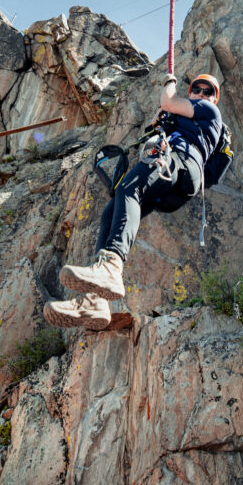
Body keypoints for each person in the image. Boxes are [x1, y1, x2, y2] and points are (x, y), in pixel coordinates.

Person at [44, 73, 223, 331]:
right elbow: (164, 116)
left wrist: (169, 84)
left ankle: (112, 265)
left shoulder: (208, 111)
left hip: (182, 161)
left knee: (129, 188)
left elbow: (169, 101)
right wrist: (162, 121)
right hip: (179, 180)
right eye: (198, 89)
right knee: (112, 209)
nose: (203, 94)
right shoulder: (185, 120)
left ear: (213, 99)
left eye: (209, 92)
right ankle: (95, 301)